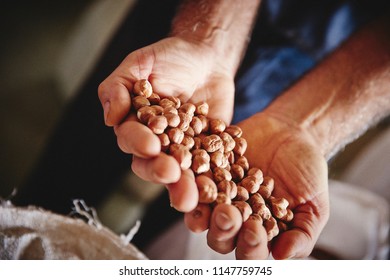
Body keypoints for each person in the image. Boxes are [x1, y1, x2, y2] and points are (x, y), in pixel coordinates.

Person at [98, 0, 390, 260]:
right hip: (192, 19)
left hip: (333, 60)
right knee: (99, 138)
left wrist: (308, 127)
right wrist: (208, 36)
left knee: (190, 209)